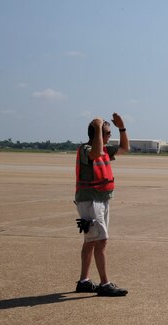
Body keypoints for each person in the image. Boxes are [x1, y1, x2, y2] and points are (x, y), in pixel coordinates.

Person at [74, 113, 130, 296]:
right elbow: (95, 153)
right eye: (106, 132)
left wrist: (122, 128)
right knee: (100, 240)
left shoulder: (105, 149)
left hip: (101, 199)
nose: (108, 136)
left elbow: (124, 148)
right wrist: (98, 126)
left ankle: (84, 281)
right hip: (90, 200)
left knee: (91, 241)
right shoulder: (86, 149)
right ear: (97, 133)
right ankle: (105, 284)